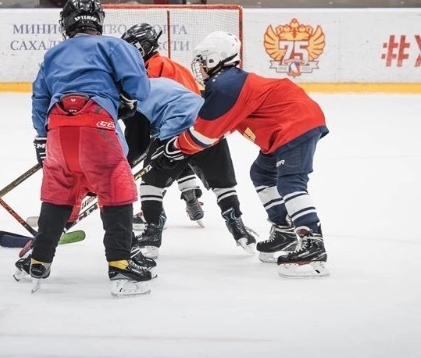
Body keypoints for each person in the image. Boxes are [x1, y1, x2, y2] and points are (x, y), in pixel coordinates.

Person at [150, 31, 329, 278]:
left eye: (203, 59)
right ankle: (284, 230)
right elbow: (213, 128)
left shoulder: (225, 85)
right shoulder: (227, 83)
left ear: (215, 59)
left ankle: (312, 244)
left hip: (295, 123)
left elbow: (204, 135)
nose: (200, 66)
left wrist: (173, 149)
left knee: (290, 180)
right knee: (262, 173)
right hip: (285, 126)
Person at [29, 0, 153, 297]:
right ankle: (121, 263)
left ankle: (39, 260)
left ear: (67, 23)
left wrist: (43, 136)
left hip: (57, 127)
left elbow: (39, 100)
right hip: (96, 122)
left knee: (59, 190)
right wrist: (123, 98)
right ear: (98, 21)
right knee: (115, 185)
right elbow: (140, 87)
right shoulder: (115, 46)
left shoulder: (53, 54)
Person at [121, 23, 256, 257]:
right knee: (222, 183)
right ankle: (238, 228)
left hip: (174, 127)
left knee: (152, 181)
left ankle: (153, 230)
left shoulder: (142, 80)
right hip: (206, 126)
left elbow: (138, 138)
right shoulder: (171, 69)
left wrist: (118, 168)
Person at [121, 23, 206, 225]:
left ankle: (152, 212)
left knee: (155, 161)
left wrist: (125, 161)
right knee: (176, 154)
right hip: (196, 123)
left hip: (174, 120)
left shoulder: (150, 69)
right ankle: (190, 193)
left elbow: (142, 108)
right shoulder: (169, 64)